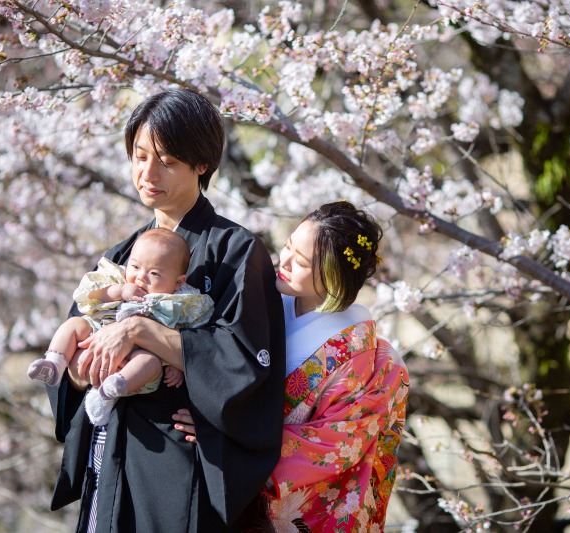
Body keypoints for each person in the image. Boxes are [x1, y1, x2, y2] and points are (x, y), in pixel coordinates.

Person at [46, 88, 285, 532]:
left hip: (181, 460)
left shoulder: (236, 251)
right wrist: (82, 368)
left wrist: (138, 330)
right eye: (139, 156)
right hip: (112, 448)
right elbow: (75, 355)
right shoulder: (123, 255)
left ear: (202, 165)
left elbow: (245, 365)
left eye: (167, 161)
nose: (148, 172)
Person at [174, 201, 410, 531]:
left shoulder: (370, 364)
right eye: (287, 246)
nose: (282, 261)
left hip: (285, 506)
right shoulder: (260, 302)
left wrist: (224, 437)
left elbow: (333, 448)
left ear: (333, 277)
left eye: (299, 261)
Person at [28, 228, 214, 426]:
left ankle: (109, 391)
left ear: (178, 282)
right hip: (98, 336)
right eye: (135, 267)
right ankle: (54, 363)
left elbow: (190, 339)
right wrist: (120, 291)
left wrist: (176, 366)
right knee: (74, 324)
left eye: (154, 273)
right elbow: (89, 298)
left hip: (139, 357)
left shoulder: (180, 302)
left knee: (149, 362)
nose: (141, 277)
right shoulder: (118, 279)